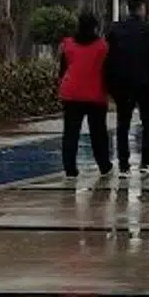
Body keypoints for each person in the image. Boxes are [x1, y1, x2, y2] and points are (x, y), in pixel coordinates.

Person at [106, 0, 149, 175]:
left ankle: (124, 165)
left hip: (122, 83)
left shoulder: (115, 30)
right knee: (148, 123)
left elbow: (108, 58)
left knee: (123, 124)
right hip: (144, 83)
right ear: (141, 8)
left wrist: (110, 84)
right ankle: (146, 162)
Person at [58, 11, 112, 178]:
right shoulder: (103, 46)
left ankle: (70, 168)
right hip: (95, 94)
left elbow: (63, 69)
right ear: (95, 27)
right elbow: (107, 71)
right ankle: (104, 165)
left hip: (71, 93)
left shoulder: (67, 44)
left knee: (70, 132)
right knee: (98, 133)